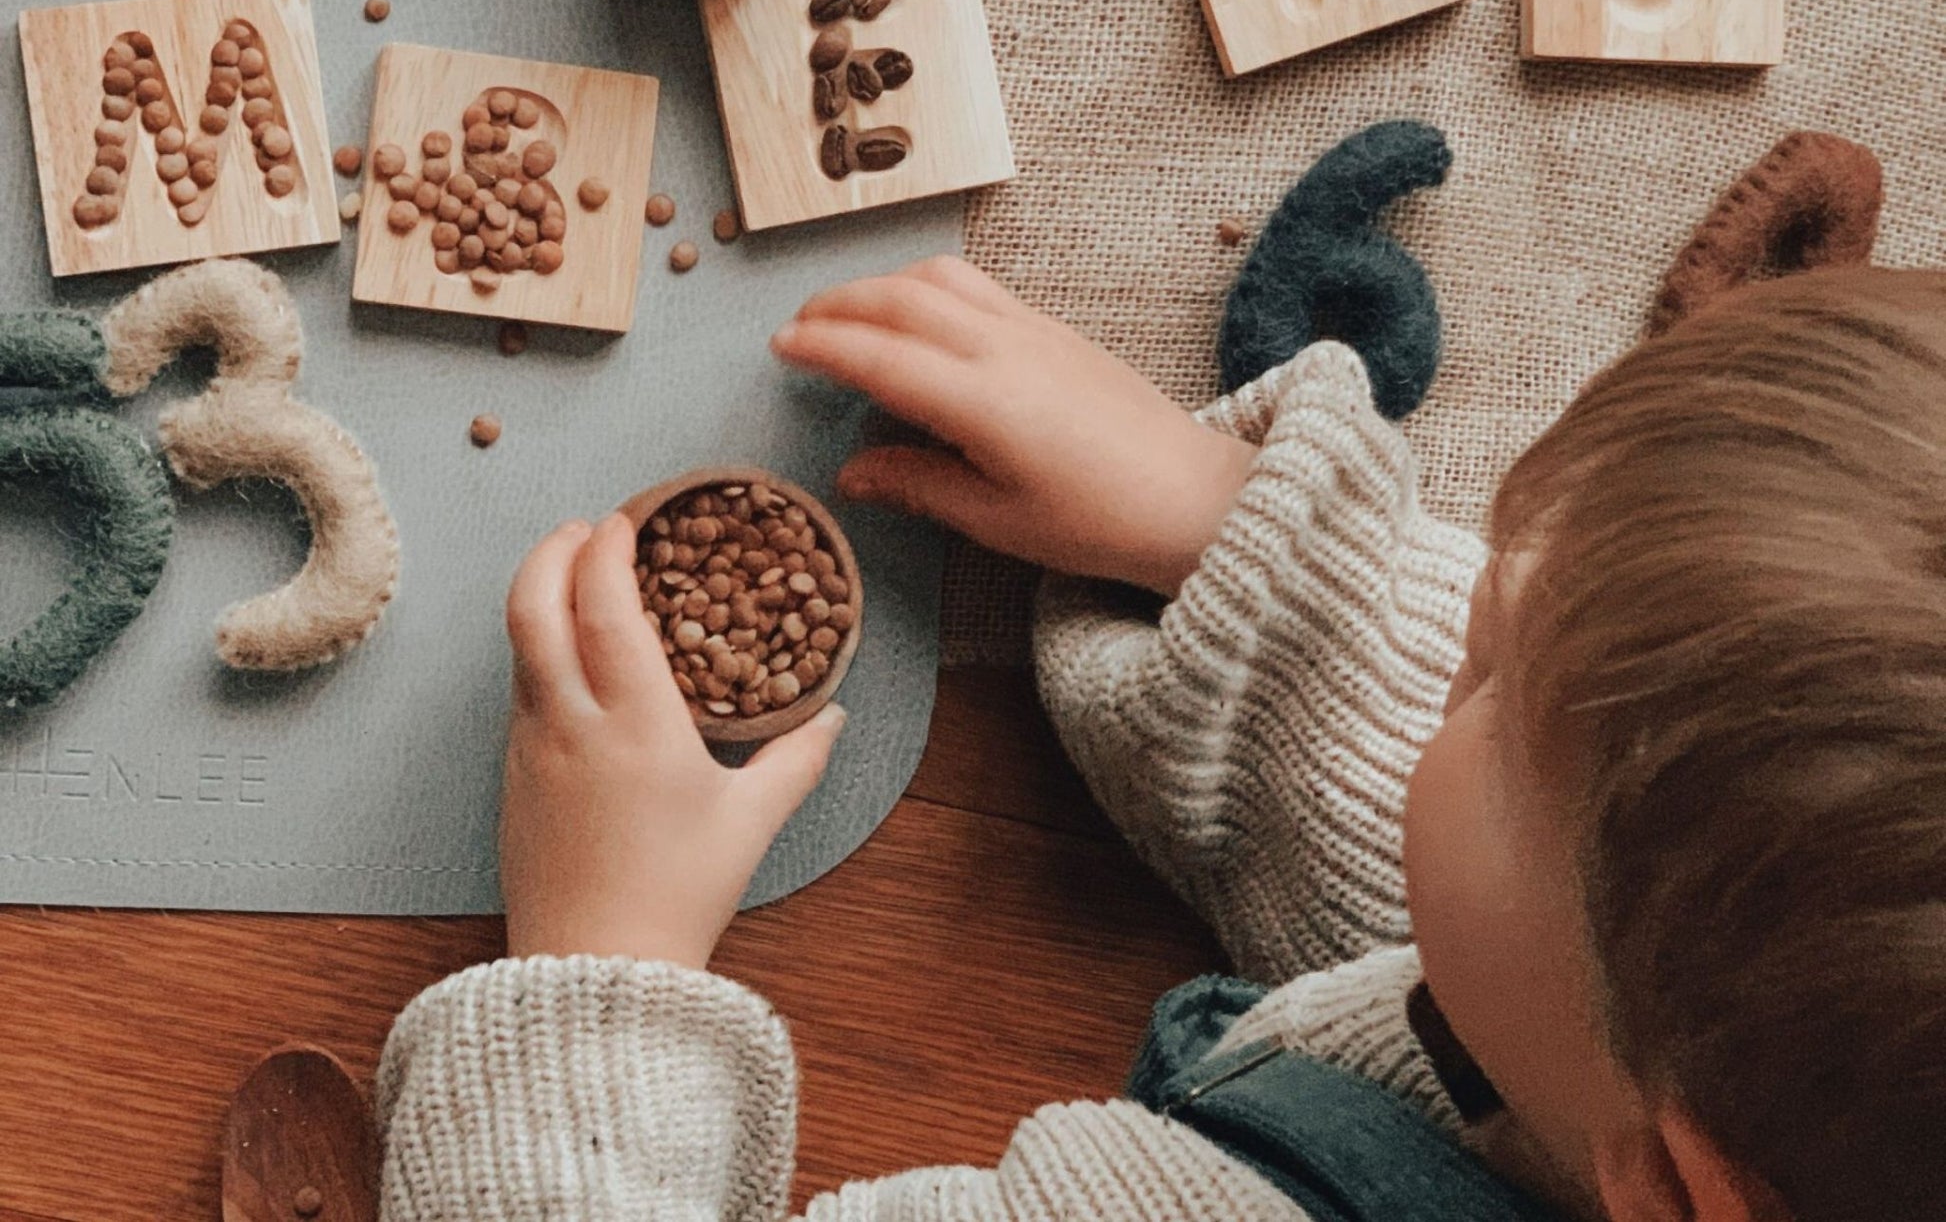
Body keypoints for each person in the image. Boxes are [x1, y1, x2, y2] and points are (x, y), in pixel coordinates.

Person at [374, 257, 1946, 1222]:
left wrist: (605, 978)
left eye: (1478, 670)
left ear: (1673, 1188)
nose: (1455, 608)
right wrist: (1241, 553)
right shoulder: (1705, 1088)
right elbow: (1545, 910)